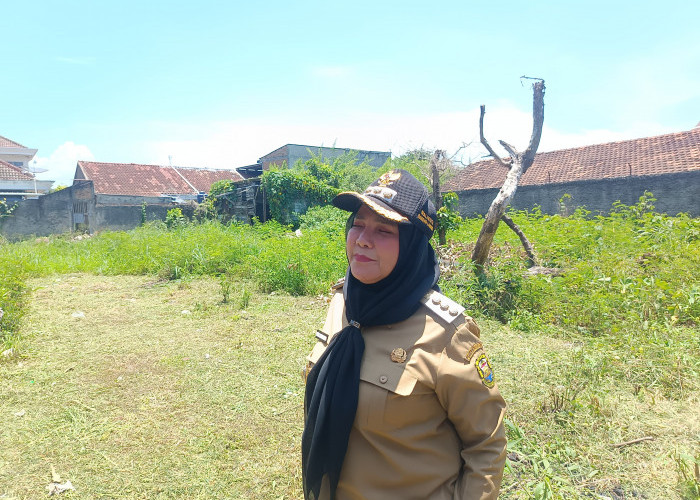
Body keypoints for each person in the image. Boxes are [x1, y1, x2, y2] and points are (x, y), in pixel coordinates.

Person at [302, 169, 507, 500]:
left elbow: (486, 443)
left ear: (412, 244)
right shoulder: (344, 302)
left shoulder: (446, 332)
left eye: (384, 230)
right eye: (358, 224)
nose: (363, 239)